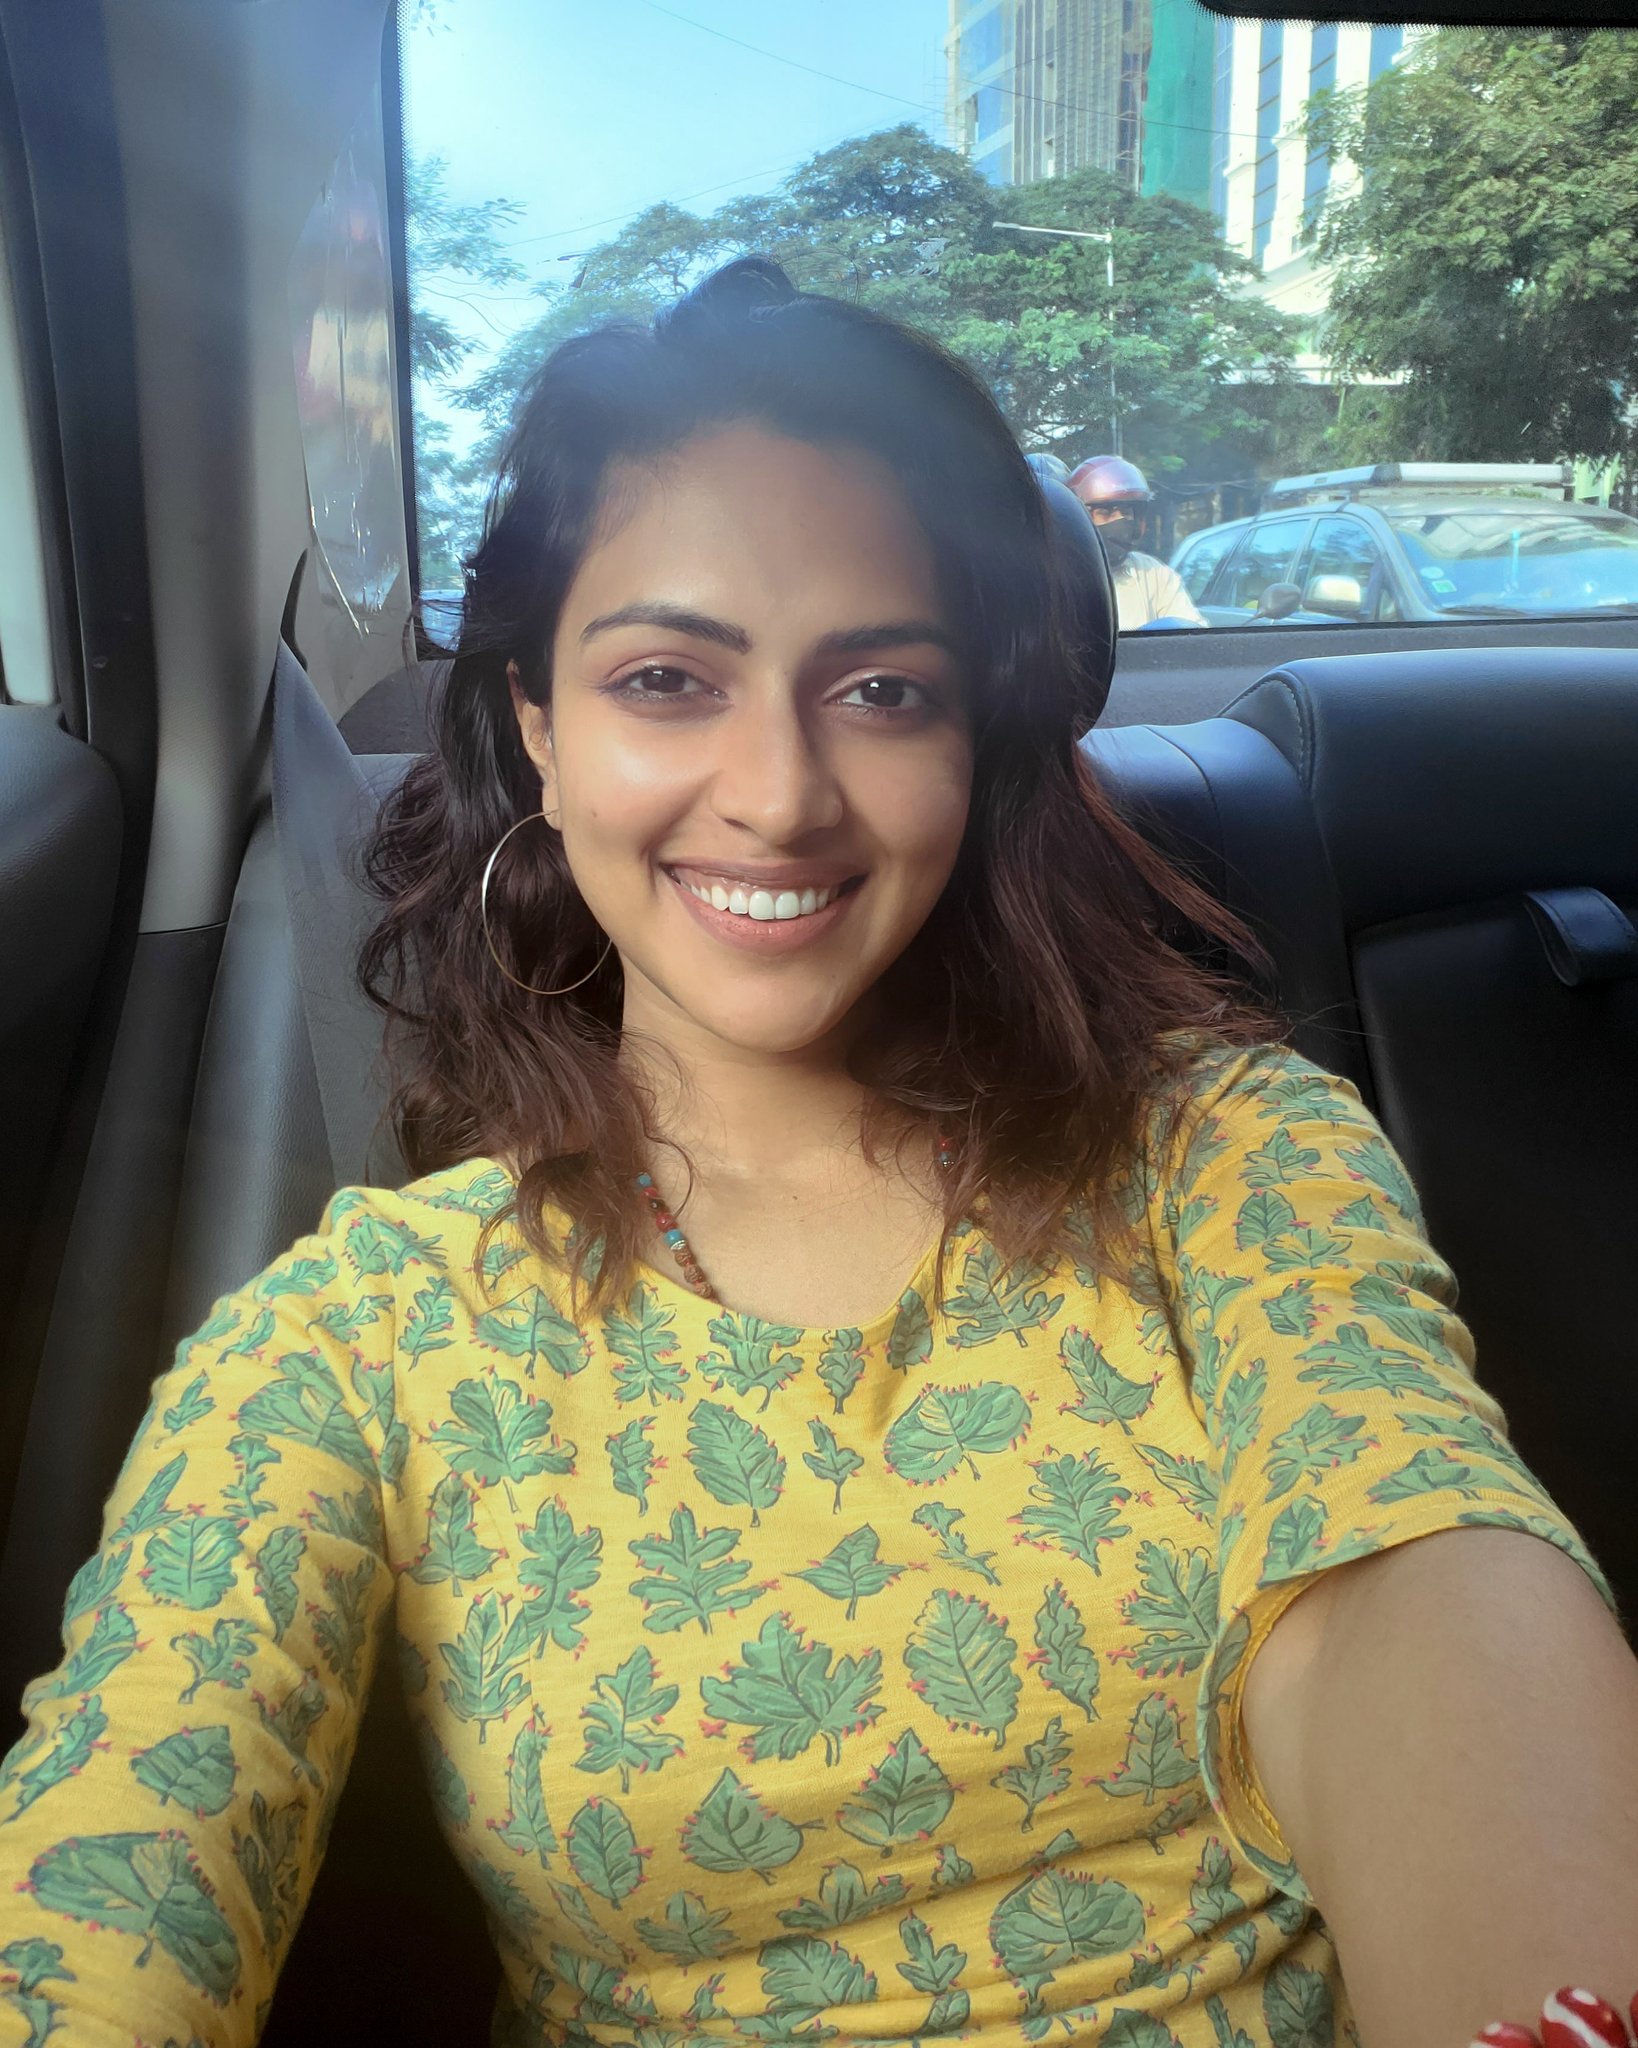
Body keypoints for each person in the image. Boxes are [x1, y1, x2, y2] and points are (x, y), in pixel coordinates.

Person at [1, 258, 1636, 2048]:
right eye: (664, 678)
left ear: (973, 741)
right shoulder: (367, 1329)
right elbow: (122, 1853)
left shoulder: (1224, 1155)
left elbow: (1404, 1556)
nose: (779, 793)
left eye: (880, 690)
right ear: (538, 722)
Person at [1067, 454, 1208, 630]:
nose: (1120, 522)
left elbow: (1191, 636)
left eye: (1127, 512)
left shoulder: (1153, 574)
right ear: (1076, 516)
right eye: (1106, 512)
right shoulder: (1053, 577)